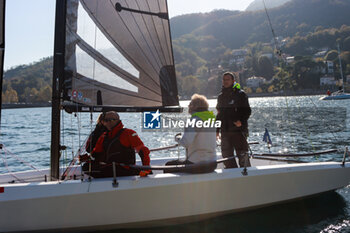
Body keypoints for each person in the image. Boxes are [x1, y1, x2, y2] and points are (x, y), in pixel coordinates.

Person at [81, 111, 151, 178]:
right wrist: (87, 158)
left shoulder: (128, 133)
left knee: (110, 168)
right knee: (86, 167)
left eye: (110, 120)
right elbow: (96, 154)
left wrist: (146, 169)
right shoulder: (104, 136)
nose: (107, 122)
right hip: (110, 168)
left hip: (125, 168)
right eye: (105, 121)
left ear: (117, 120)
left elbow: (143, 151)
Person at [166, 94, 217, 173]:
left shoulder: (193, 121)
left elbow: (186, 142)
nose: (188, 106)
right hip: (212, 163)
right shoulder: (211, 120)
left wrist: (178, 138)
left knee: (168, 165)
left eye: (190, 104)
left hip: (197, 164)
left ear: (194, 106)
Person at [216, 72, 251, 168]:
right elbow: (219, 114)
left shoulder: (241, 94)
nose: (225, 81)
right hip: (225, 132)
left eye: (228, 79)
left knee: (243, 157)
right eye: (224, 80)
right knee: (227, 158)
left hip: (239, 131)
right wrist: (217, 129)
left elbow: (247, 111)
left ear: (233, 81)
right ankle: (233, 175)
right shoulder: (220, 97)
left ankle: (247, 176)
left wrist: (241, 121)